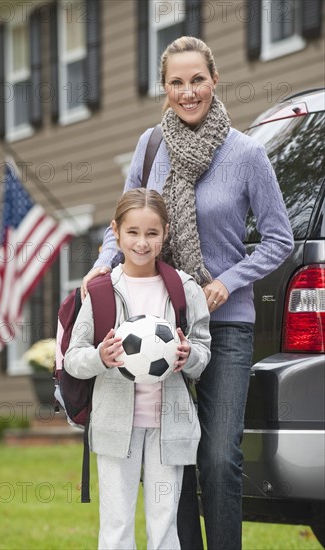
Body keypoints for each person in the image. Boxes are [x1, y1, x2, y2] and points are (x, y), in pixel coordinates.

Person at [81, 37, 294, 550]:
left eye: (197, 79)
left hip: (226, 324)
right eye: (177, 82)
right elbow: (124, 223)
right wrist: (98, 270)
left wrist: (227, 280)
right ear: (165, 88)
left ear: (214, 80)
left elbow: (280, 239)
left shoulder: (246, 155)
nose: (188, 91)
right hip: (157, 324)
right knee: (171, 455)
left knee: (220, 456)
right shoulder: (151, 146)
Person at [64, 188, 211, 550]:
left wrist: (187, 355)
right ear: (116, 232)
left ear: (165, 235)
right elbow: (72, 358)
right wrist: (101, 356)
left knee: (165, 527)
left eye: (151, 233)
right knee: (116, 527)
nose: (142, 243)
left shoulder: (185, 289)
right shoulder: (101, 291)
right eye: (132, 232)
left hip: (169, 428)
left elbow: (204, 352)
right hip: (116, 428)